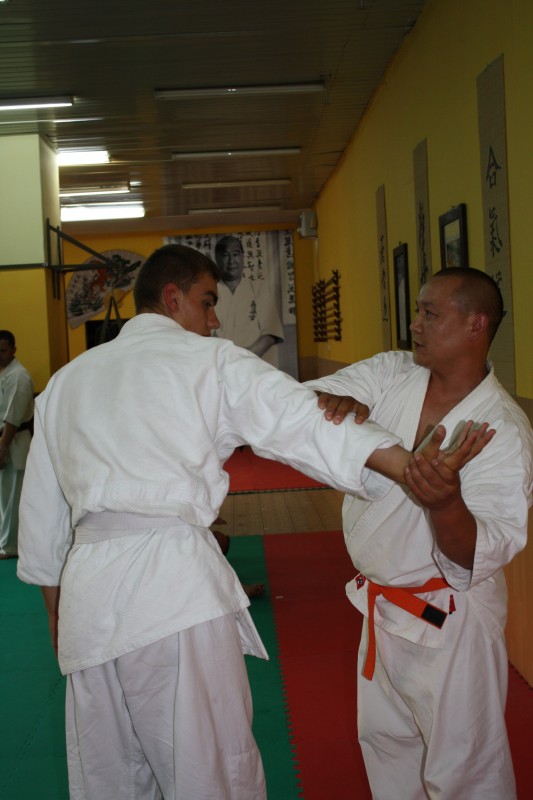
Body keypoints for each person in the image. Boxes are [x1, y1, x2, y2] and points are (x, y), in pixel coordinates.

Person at [16, 246, 490, 800]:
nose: (215, 319)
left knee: (110, 778)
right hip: (172, 593)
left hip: (88, 603)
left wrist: (60, 616)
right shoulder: (208, 362)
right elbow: (300, 420)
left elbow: (43, 523)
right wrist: (407, 467)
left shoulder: (64, 384)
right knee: (210, 772)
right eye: (207, 301)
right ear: (172, 298)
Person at [307, 267, 533, 800]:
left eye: (430, 313)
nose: (415, 324)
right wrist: (338, 404)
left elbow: (480, 554)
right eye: (417, 311)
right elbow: (303, 403)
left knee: (463, 770)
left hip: (450, 621)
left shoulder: (502, 431)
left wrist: (446, 504)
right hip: (383, 607)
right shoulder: (393, 372)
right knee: (387, 747)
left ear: (476, 324)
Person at [214, 235, 284, 359]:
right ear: (217, 258)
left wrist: (244, 358)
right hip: (219, 360)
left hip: (254, 360)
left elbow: (271, 333)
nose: (231, 261)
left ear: (243, 256)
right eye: (225, 255)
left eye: (236, 254)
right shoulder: (210, 291)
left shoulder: (259, 289)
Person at [0, 330, 34, 559]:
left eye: (3, 350)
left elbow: (13, 417)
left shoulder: (19, 376)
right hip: (4, 439)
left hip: (14, 440)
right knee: (4, 497)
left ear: (13, 350)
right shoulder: (4, 373)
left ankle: (11, 546)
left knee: (13, 497)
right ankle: (5, 541)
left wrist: (3, 446)